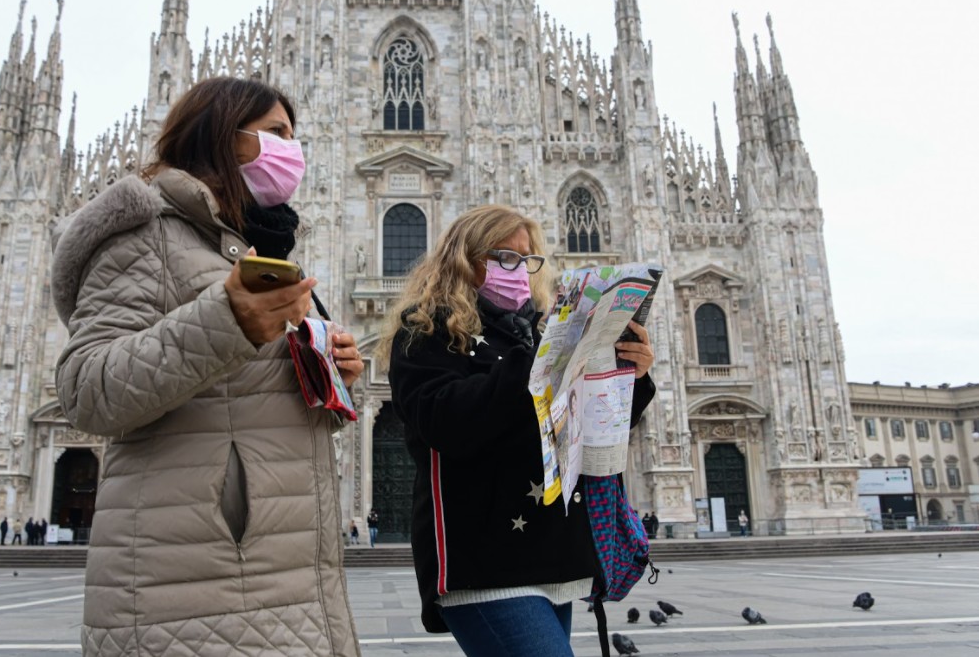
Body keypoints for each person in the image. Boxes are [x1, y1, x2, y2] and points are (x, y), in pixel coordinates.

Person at [52, 76, 364, 656]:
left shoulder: (256, 247)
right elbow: (85, 389)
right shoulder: (147, 234)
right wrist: (230, 323)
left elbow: (242, 401)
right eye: (276, 134)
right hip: (192, 580)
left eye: (294, 138)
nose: (291, 151)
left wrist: (330, 375)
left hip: (287, 571)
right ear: (226, 136)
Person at [381, 204, 655, 656]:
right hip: (484, 559)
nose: (520, 270)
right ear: (465, 260)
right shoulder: (424, 330)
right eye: (505, 257)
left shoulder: (534, 328)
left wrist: (632, 376)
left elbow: (583, 425)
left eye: (527, 260)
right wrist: (542, 357)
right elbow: (445, 423)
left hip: (551, 552)